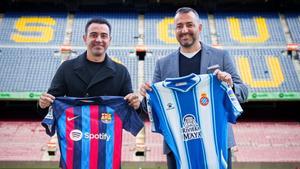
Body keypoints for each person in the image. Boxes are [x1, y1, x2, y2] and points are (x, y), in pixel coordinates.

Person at [139, 7, 248, 169]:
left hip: (216, 142)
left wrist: (230, 85)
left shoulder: (221, 56)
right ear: (174, 30)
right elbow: (148, 109)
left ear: (200, 27)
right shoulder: (163, 64)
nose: (184, 30)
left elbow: (244, 93)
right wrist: (146, 96)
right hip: (178, 146)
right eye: (179, 26)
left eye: (189, 25)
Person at [38, 17, 141, 114]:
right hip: (74, 130)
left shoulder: (121, 71)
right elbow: (51, 103)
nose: (99, 40)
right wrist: (42, 104)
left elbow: (129, 109)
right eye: (93, 35)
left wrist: (136, 105)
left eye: (104, 36)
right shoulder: (66, 68)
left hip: (106, 131)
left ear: (109, 40)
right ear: (85, 38)